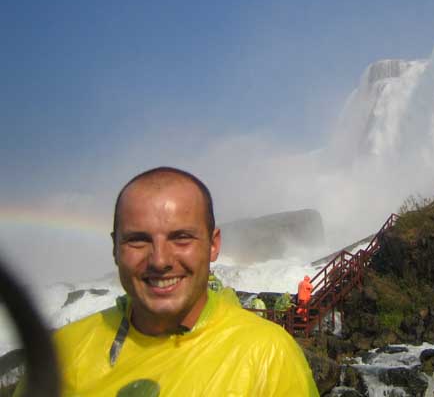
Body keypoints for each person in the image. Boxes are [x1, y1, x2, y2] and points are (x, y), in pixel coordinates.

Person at [16, 167, 318, 396]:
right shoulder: (60, 355)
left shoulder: (269, 357)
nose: (160, 260)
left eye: (181, 238)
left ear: (213, 245)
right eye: (138, 240)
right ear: (115, 248)